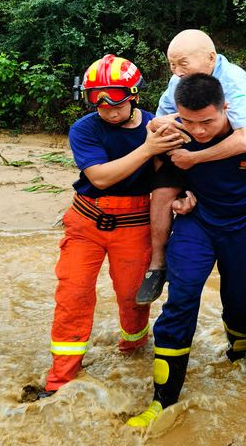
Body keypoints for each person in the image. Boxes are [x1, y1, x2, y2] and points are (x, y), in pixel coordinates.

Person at [126, 74, 246, 427]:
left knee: (241, 303)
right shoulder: (174, 133)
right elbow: (161, 173)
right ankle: (162, 401)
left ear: (226, 108)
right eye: (188, 121)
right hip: (198, 226)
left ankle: (238, 343)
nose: (198, 131)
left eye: (207, 121)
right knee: (181, 299)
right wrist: (180, 196)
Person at [136, 29, 246, 350]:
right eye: (171, 65)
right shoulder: (179, 82)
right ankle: (157, 265)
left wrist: (192, 158)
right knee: (162, 192)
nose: (176, 71)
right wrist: (168, 125)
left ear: (211, 59)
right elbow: (154, 124)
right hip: (201, 156)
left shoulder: (235, 81)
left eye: (182, 62)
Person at [36, 55, 188, 399]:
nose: (106, 105)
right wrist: (148, 149)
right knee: (73, 294)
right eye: (96, 97)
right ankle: (60, 380)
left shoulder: (159, 127)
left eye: (114, 95)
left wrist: (184, 196)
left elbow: (178, 174)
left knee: (133, 297)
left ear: (133, 93)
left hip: (135, 223)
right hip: (86, 222)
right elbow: (100, 178)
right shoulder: (85, 129)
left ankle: (132, 350)